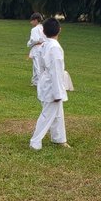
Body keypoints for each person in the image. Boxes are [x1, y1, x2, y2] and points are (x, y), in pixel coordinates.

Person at [29, 18, 71, 150]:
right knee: (48, 114)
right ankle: (35, 141)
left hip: (46, 82)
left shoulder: (44, 45)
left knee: (58, 113)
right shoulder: (54, 47)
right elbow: (56, 71)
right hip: (52, 85)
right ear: (59, 30)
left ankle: (59, 138)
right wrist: (58, 93)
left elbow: (40, 67)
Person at [27, 13, 45, 87]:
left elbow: (34, 40)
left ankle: (41, 83)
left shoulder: (34, 29)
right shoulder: (43, 28)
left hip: (37, 48)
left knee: (38, 66)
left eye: (32, 20)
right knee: (37, 66)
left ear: (36, 20)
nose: (31, 22)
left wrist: (29, 44)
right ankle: (35, 81)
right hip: (44, 48)